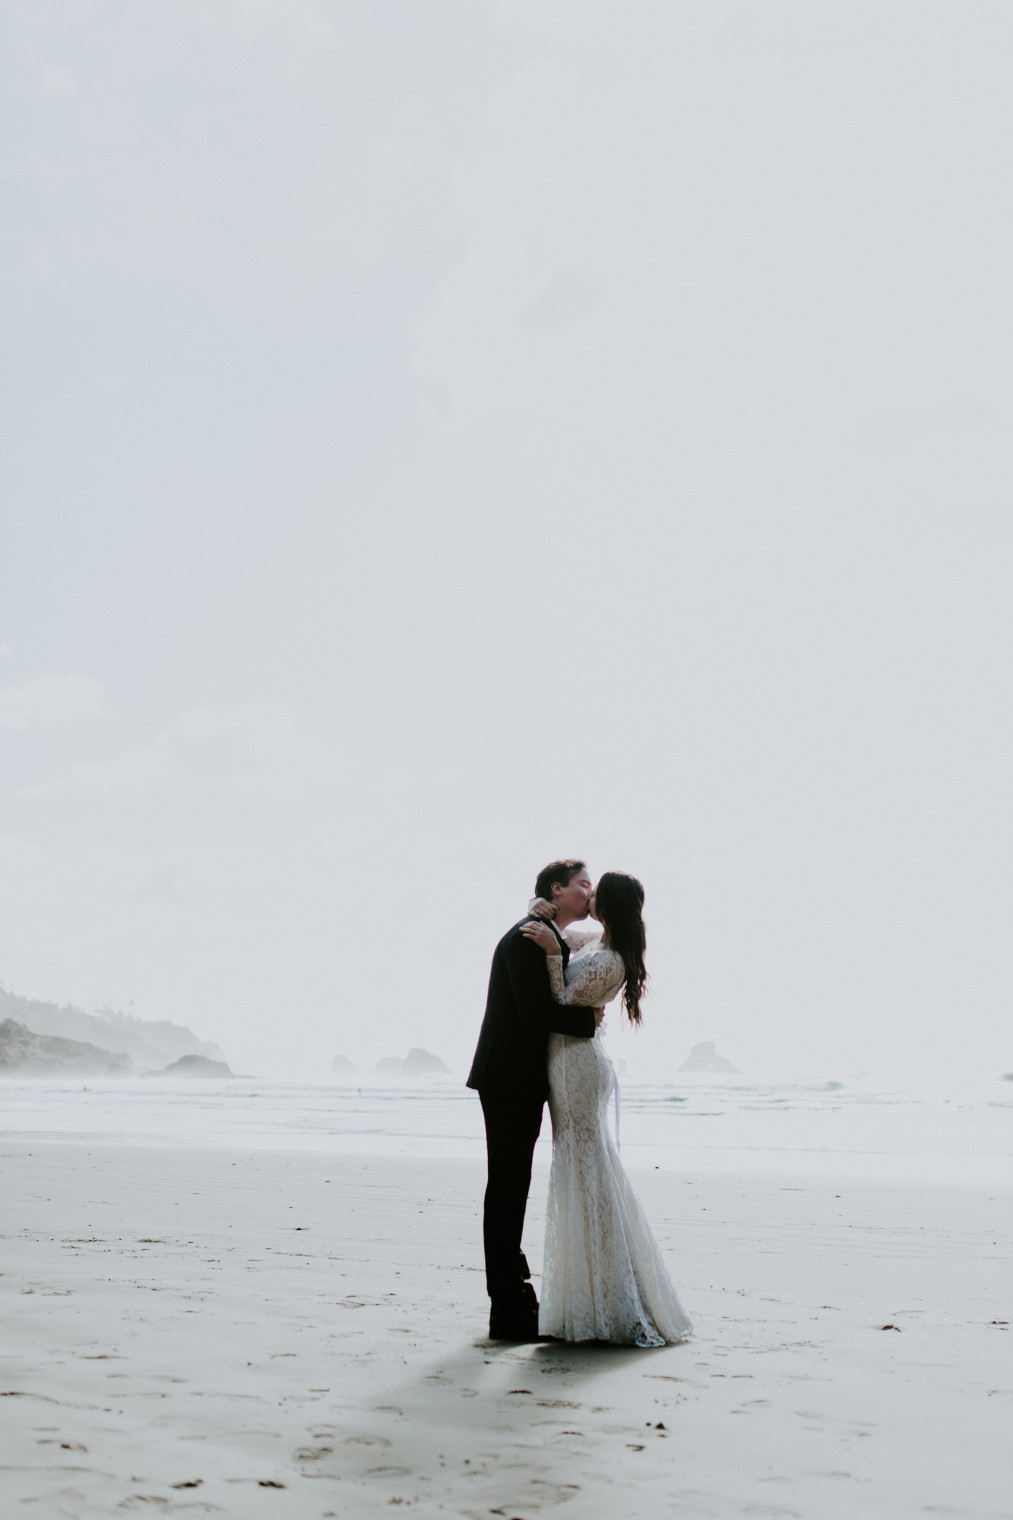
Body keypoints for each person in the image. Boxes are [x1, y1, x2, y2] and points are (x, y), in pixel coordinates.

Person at [519, 871, 692, 1346]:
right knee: (584, 1170)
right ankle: (593, 1289)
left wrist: (554, 956)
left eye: (595, 893)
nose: (588, 897)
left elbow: (563, 1000)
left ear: (610, 904)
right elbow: (560, 932)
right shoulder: (596, 940)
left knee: (587, 1170)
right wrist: (542, 910)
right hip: (567, 1062)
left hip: (577, 1067)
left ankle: (610, 1297)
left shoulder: (613, 959)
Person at [467, 859, 603, 1341]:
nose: (590, 891)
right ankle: (508, 1309)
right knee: (506, 1189)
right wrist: (589, 1022)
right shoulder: (530, 935)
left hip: (517, 1077)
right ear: (556, 889)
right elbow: (533, 1011)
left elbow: (597, 945)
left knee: (510, 1188)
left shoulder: (546, 929)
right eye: (583, 884)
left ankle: (514, 1299)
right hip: (508, 1077)